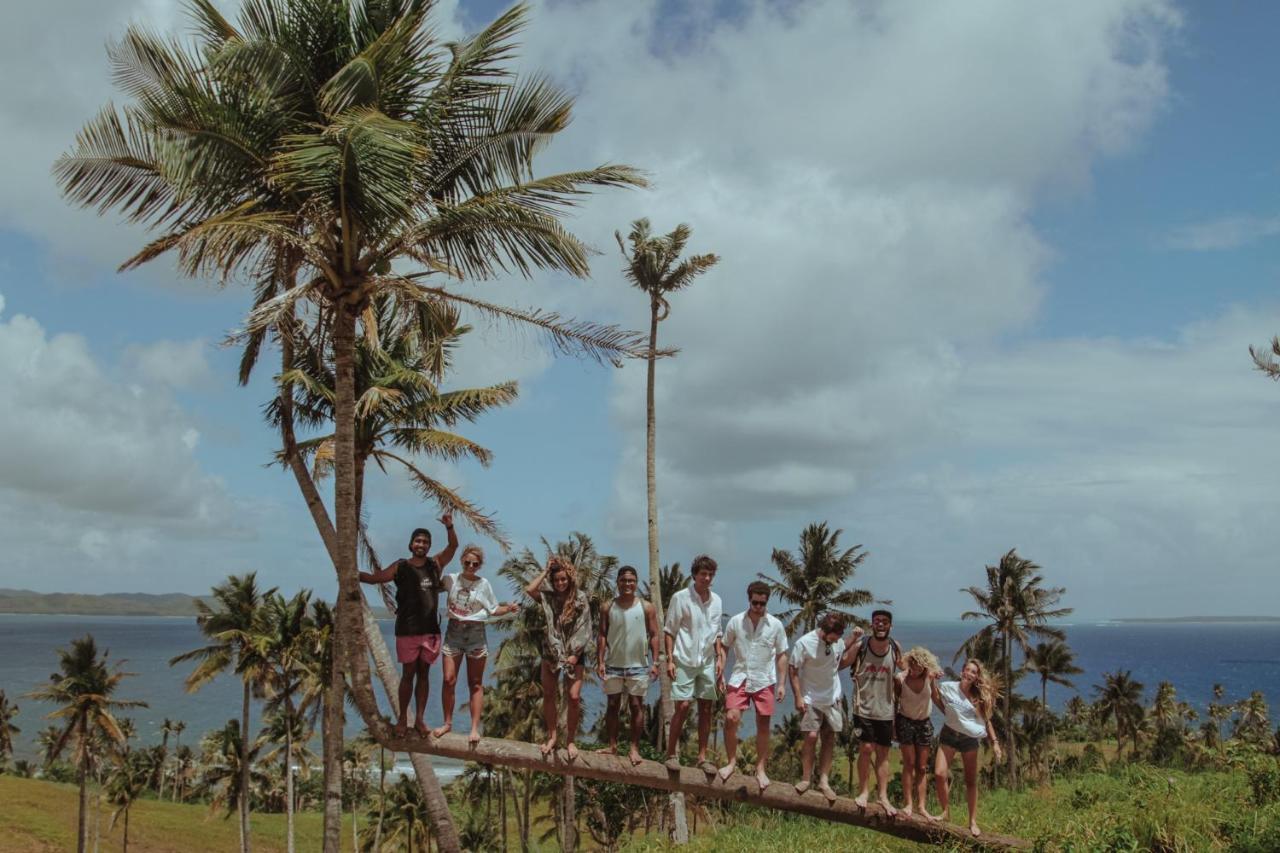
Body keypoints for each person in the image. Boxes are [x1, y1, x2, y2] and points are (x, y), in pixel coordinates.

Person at [358, 512, 457, 737]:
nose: (421, 544)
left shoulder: (435, 565)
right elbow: (376, 578)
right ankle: (403, 719)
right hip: (406, 631)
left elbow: (453, 547)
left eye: (425, 542)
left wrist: (449, 527)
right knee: (407, 675)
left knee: (424, 676)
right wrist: (352, 574)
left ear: (429, 546)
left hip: (430, 631)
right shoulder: (400, 567)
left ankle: (420, 720)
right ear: (411, 544)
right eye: (418, 541)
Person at [431, 544, 519, 744]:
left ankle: (474, 728)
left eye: (475, 564)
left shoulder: (484, 584)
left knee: (475, 683)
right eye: (467, 562)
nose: (470, 566)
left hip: (476, 633)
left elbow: (493, 609)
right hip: (454, 631)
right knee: (448, 679)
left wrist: (509, 608)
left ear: (480, 565)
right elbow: (433, 586)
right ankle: (447, 723)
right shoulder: (451, 579)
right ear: (461, 560)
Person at [716, 580, 788, 791]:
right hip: (739, 676)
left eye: (762, 603)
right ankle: (731, 762)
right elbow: (724, 646)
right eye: (755, 602)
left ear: (767, 602)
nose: (758, 607)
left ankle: (760, 768)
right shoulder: (736, 622)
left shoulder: (775, 625)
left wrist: (782, 684)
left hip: (765, 679)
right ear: (749, 600)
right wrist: (720, 670)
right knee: (731, 718)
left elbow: (782, 654)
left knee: (763, 724)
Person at [789, 612, 863, 800]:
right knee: (811, 737)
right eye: (834, 636)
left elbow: (842, 649)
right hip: (810, 698)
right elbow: (793, 669)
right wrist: (797, 696)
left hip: (833, 698)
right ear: (824, 631)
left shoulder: (836, 641)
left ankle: (823, 780)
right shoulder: (805, 643)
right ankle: (806, 778)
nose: (837, 640)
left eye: (839, 636)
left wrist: (853, 639)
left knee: (829, 738)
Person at [525, 555, 592, 760]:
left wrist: (575, 654)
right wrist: (546, 571)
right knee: (549, 694)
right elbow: (529, 590)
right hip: (551, 651)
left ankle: (570, 739)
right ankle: (553, 736)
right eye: (556, 580)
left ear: (570, 578)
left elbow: (585, 628)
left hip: (574, 652)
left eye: (563, 579)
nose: (560, 583)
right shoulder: (549, 596)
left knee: (573, 697)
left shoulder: (580, 598)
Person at [663, 554, 724, 773]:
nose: (706, 578)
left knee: (706, 707)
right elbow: (669, 630)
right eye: (703, 574)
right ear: (695, 575)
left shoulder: (716, 600)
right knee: (683, 706)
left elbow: (717, 632)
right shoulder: (681, 598)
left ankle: (702, 757)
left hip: (707, 660)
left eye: (710, 574)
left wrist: (718, 659)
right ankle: (671, 754)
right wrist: (670, 660)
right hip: (684, 658)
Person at [595, 565, 661, 766]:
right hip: (613, 664)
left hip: (639, 665)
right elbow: (602, 634)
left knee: (636, 706)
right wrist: (600, 661)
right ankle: (612, 745)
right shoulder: (607, 607)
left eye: (631, 580)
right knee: (612, 705)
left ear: (636, 582)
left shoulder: (646, 607)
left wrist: (655, 661)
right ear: (618, 582)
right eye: (623, 580)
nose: (627, 584)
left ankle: (634, 748)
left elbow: (655, 634)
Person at [932, 658, 1003, 837]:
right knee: (940, 774)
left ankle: (972, 821)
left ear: (977, 677)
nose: (970, 674)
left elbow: (987, 721)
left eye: (974, 672)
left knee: (970, 781)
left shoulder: (979, 696)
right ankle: (945, 812)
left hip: (969, 739)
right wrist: (932, 679)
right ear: (962, 670)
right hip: (949, 734)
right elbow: (936, 697)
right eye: (968, 670)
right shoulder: (948, 687)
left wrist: (995, 743)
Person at [852, 608, 904, 815]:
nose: (880, 624)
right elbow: (840, 662)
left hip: (886, 709)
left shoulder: (895, 647)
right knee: (865, 749)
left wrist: (928, 673)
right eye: (876, 621)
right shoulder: (861, 646)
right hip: (863, 707)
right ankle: (863, 791)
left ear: (890, 626)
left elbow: (907, 666)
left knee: (883, 753)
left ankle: (883, 796)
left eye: (884, 621)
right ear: (871, 624)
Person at [895, 646, 942, 819]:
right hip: (905, 722)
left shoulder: (930, 677)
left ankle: (921, 806)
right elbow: (895, 702)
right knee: (909, 764)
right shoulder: (900, 678)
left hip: (924, 723)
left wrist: (948, 713)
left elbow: (935, 696)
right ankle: (908, 804)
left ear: (924, 666)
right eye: (912, 666)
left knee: (922, 767)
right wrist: (893, 727)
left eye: (918, 667)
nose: (914, 670)